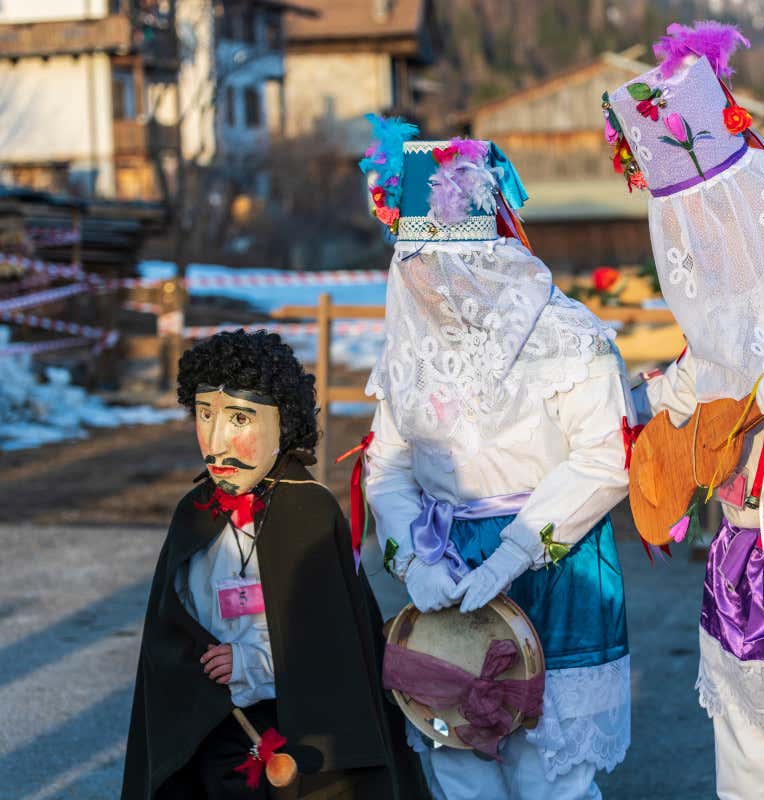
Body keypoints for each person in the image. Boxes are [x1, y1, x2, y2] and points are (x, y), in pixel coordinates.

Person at [605, 22, 764, 800]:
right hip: (739, 565)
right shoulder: (712, 327)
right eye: (693, 233)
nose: (714, 248)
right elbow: (670, 402)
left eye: (726, 219)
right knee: (748, 776)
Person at [358, 119, 633, 800]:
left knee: (552, 777)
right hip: (446, 577)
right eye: (417, 269)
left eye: (445, 270)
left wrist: (514, 553)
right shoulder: (411, 353)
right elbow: (387, 466)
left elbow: (606, 458)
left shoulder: (567, 338)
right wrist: (411, 561)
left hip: (554, 570)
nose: (433, 288)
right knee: (458, 765)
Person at [121, 330, 425, 799]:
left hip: (306, 742)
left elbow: (332, 643)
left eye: (239, 418)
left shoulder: (310, 512)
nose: (216, 441)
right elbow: (173, 635)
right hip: (219, 730)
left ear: (282, 425)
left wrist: (253, 662)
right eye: (205, 415)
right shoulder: (194, 514)